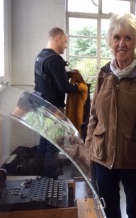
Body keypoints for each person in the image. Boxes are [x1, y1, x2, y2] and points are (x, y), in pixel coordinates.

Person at [85, 13, 136, 218]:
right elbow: (94, 115)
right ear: (110, 42)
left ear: (135, 42)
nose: (121, 44)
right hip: (103, 156)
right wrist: (89, 148)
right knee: (108, 209)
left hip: (134, 158)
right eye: (117, 38)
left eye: (128, 38)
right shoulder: (103, 74)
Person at [33, 27, 80, 179]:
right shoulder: (55, 59)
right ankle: (51, 179)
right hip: (53, 109)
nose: (65, 46)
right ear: (58, 38)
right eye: (65, 42)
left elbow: (50, 77)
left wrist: (67, 73)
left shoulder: (41, 56)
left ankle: (38, 174)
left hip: (41, 106)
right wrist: (79, 87)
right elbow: (63, 87)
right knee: (53, 147)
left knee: (44, 142)